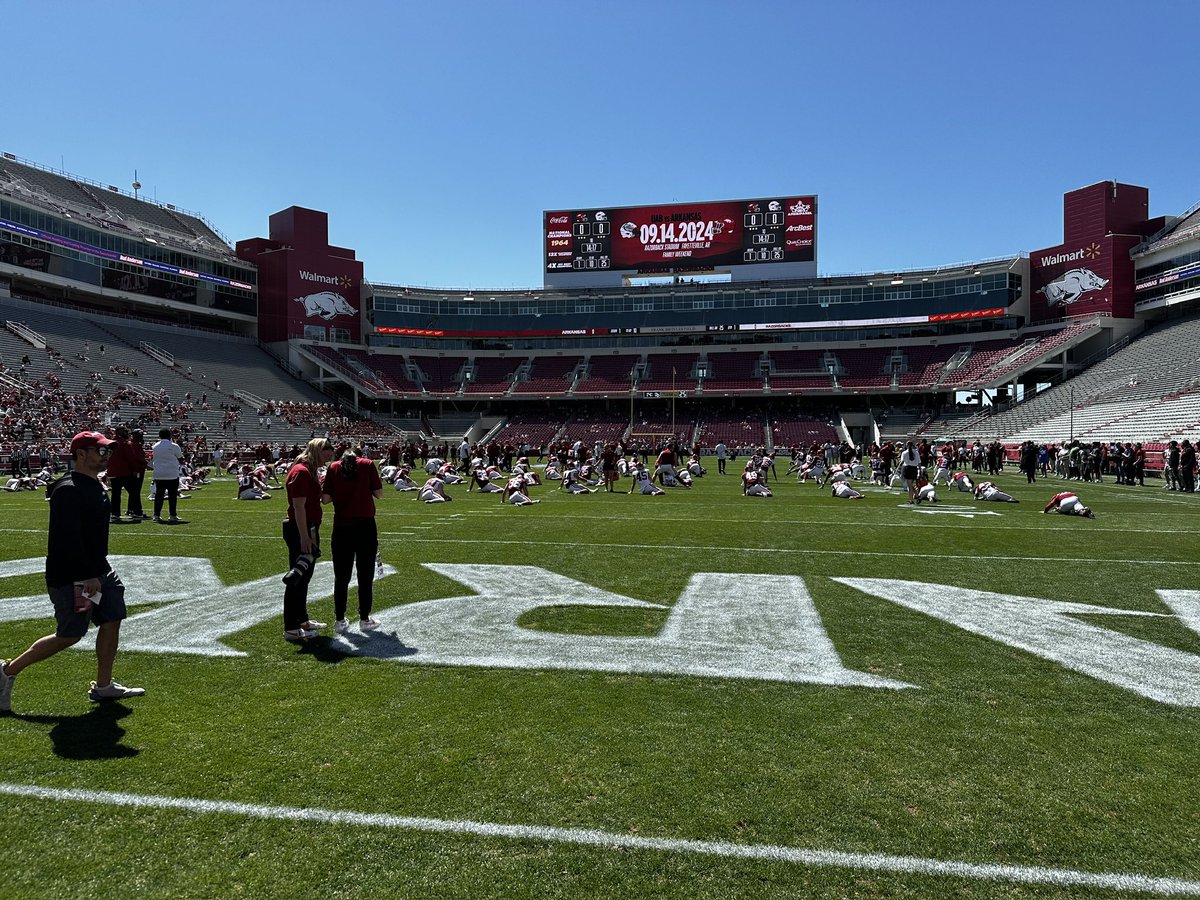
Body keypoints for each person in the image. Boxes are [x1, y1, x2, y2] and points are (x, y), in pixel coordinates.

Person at [0, 432, 145, 713]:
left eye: (107, 452)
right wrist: (88, 575)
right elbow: (68, 539)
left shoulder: (92, 484)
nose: (106, 456)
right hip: (74, 574)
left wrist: (97, 571)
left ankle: (103, 686)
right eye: (100, 451)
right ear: (81, 454)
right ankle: (7, 671)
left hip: (99, 569)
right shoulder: (69, 488)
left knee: (113, 617)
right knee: (70, 634)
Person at [322, 449, 383, 633]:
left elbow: (325, 499)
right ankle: (364, 618)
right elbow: (379, 494)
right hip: (365, 526)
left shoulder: (333, 468)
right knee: (365, 575)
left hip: (342, 526)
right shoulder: (367, 465)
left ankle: (339, 619)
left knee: (341, 577)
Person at [281, 437, 334, 641]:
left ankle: (301, 620)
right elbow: (298, 506)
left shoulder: (308, 470)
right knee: (297, 577)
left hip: (307, 527)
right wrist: (305, 536)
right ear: (315, 450)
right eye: (325, 449)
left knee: (305, 576)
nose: (329, 453)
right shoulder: (302, 472)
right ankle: (291, 627)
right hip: (300, 529)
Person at [150, 428, 186, 524]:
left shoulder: (155, 446)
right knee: (172, 496)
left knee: (159, 495)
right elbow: (180, 459)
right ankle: (172, 515)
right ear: (170, 436)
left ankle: (156, 515)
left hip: (159, 473)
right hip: (172, 474)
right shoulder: (174, 446)